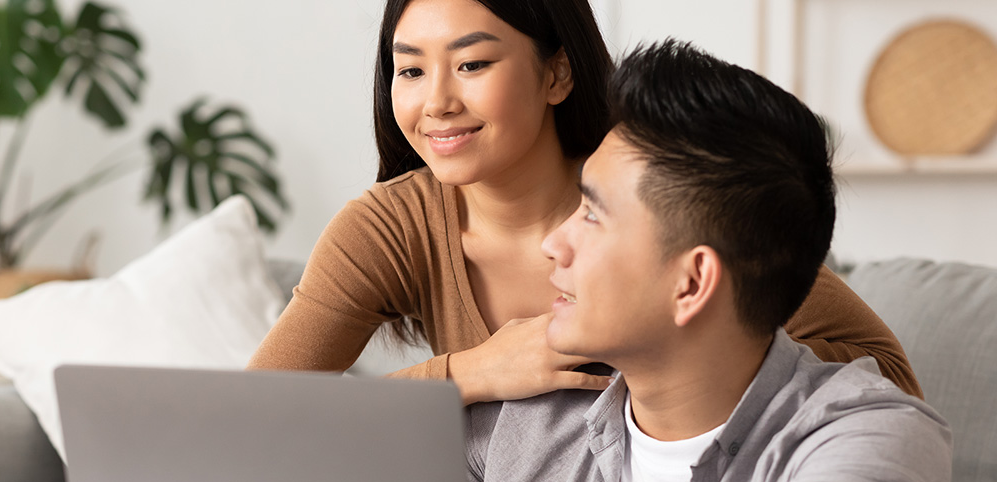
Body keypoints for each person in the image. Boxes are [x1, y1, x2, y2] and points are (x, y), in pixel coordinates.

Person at [248, 0, 923, 402]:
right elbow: (256, 413)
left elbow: (889, 375)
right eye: (411, 69)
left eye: (472, 63)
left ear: (557, 72)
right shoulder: (389, 229)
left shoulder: (651, 191)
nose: (437, 102)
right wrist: (469, 374)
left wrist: (669, 364)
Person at [465, 40, 952, 482]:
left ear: (693, 283)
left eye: (592, 215)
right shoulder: (529, 417)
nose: (552, 244)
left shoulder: (870, 440)